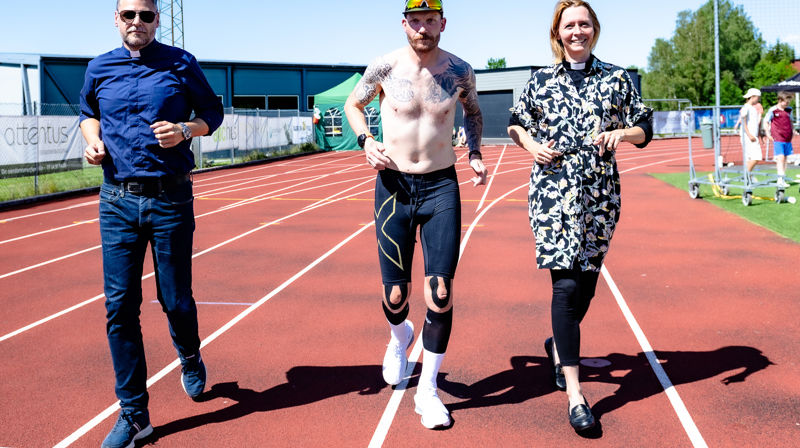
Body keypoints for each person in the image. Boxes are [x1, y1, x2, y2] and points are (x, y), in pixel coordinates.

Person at [79, 1, 223, 447]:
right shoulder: (99, 67)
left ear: (157, 19)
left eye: (145, 15)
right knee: (119, 307)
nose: (136, 23)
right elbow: (88, 116)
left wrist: (185, 130)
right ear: (116, 19)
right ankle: (134, 414)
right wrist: (92, 142)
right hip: (116, 199)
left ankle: (190, 354)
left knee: (175, 298)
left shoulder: (181, 63)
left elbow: (212, 115)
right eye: (129, 15)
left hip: (170, 198)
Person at [507, 0, 652, 433]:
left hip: (600, 198)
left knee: (585, 286)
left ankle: (558, 342)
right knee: (565, 285)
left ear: (594, 29)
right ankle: (575, 394)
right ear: (558, 32)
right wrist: (531, 146)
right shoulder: (541, 80)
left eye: (583, 24)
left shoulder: (617, 78)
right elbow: (517, 123)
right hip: (552, 195)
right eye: (569, 25)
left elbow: (645, 128)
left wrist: (621, 133)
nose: (577, 31)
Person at [343, 0, 487, 430]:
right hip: (393, 188)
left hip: (441, 185)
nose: (422, 29)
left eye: (430, 21)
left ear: (443, 23)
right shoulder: (384, 67)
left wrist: (476, 152)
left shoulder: (459, 70)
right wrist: (366, 140)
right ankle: (400, 336)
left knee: (440, 293)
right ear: (403, 24)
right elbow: (354, 105)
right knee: (395, 297)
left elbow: (473, 112)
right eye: (415, 21)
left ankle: (427, 390)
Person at [764, 91, 798, 187]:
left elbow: (790, 122)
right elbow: (766, 121)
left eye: (788, 102)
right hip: (778, 137)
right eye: (785, 102)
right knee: (780, 157)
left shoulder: (789, 110)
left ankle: (783, 177)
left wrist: (793, 131)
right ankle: (780, 179)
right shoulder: (773, 110)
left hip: (787, 137)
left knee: (785, 158)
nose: (787, 104)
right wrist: (767, 133)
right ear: (780, 100)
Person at [739, 88, 763, 180]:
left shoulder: (752, 108)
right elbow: (743, 120)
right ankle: (746, 174)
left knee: (749, 158)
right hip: (749, 137)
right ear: (753, 97)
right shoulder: (746, 107)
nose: (758, 99)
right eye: (758, 97)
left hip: (752, 136)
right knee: (757, 157)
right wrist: (749, 135)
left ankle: (748, 175)